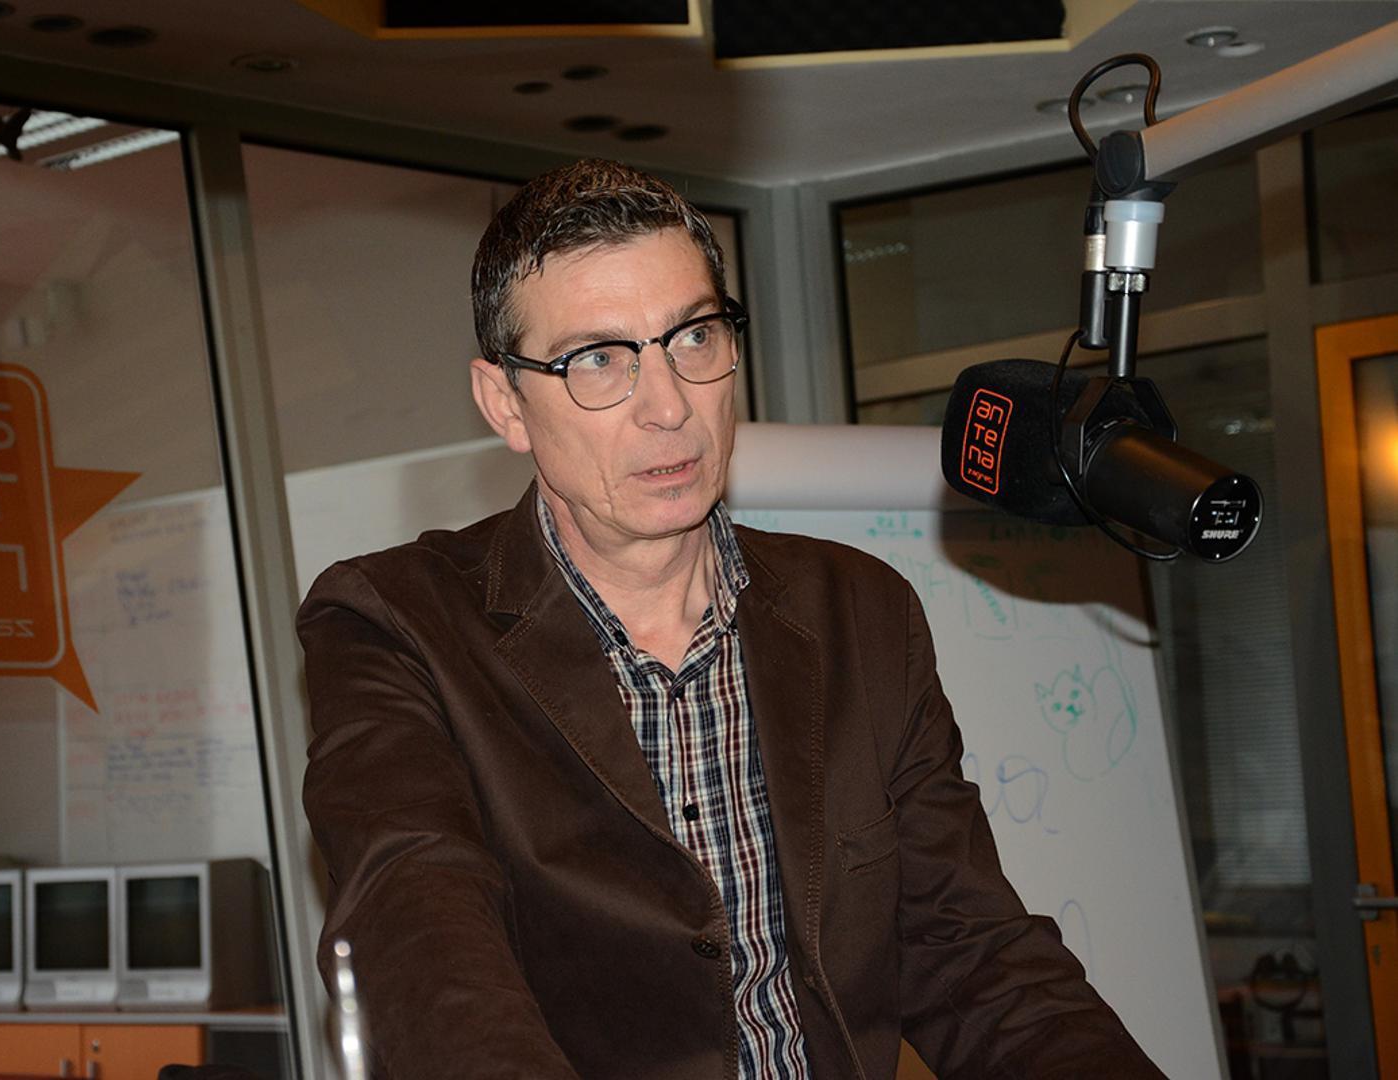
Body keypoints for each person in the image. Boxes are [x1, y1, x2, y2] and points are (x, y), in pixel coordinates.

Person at [299, 159, 1163, 1079]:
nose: (668, 406)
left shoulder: (860, 610)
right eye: (599, 360)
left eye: (695, 338)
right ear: (505, 403)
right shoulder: (396, 624)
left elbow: (974, 955)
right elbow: (425, 951)